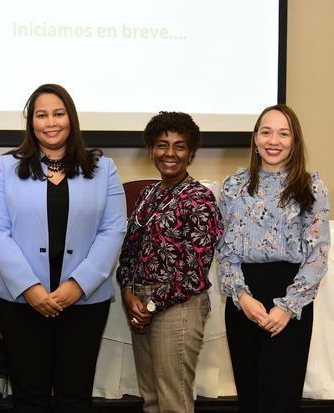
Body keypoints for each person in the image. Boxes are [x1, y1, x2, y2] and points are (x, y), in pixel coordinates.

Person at [0, 83, 127, 413]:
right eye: (41, 115)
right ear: (31, 122)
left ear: (71, 119)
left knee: (74, 398)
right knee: (28, 397)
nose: (51, 122)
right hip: (21, 302)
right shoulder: (7, 167)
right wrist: (29, 288)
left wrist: (79, 285)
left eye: (58, 114)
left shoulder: (104, 169)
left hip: (84, 302)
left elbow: (113, 228)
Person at [217, 104, 330, 412]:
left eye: (283, 133)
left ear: (294, 141)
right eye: (266, 132)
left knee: (279, 400)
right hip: (244, 300)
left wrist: (286, 307)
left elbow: (317, 256)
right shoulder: (233, 186)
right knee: (250, 398)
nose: (273, 141)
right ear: (255, 139)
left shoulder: (311, 187)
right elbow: (224, 249)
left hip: (290, 300)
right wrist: (242, 298)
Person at [116, 111, 223, 413]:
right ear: (151, 149)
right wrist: (127, 293)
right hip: (140, 304)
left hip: (178, 307)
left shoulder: (200, 199)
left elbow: (194, 272)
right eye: (162, 144)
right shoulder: (147, 195)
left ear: (191, 153)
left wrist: (150, 307)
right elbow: (129, 252)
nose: (170, 153)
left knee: (173, 401)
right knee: (151, 401)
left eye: (180, 146)